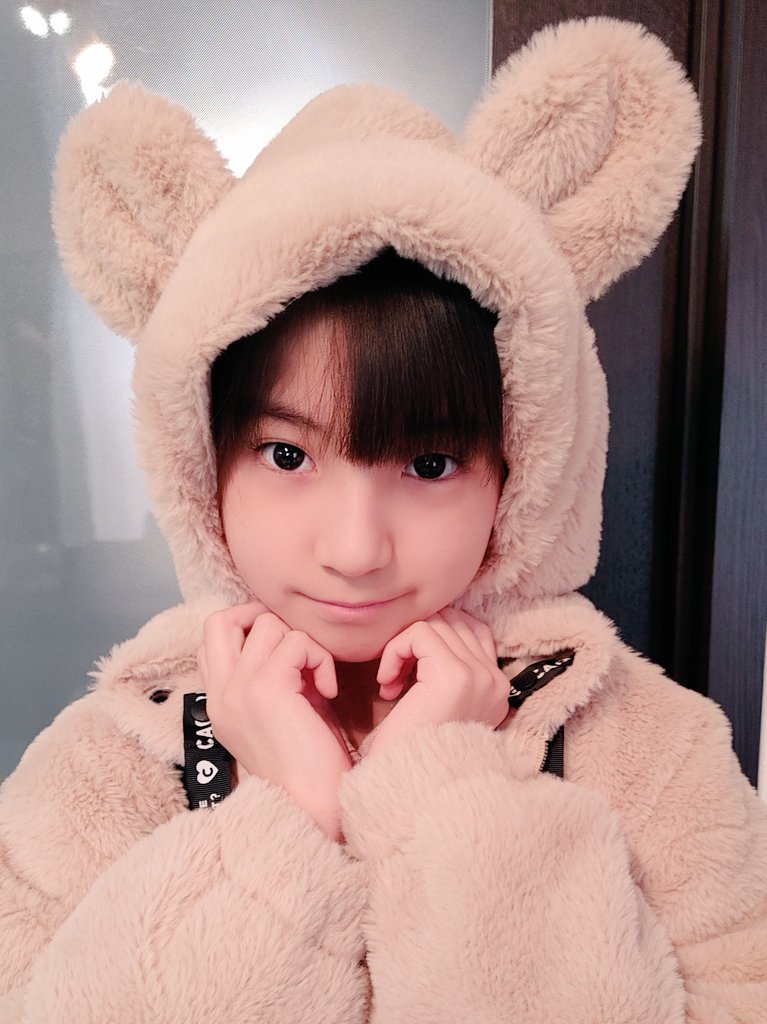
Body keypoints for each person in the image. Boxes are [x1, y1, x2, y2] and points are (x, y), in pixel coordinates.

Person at [1, 16, 765, 1024]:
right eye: (286, 455)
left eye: (428, 463)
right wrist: (292, 815)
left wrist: (440, 795)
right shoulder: (104, 764)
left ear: (520, 467)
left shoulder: (648, 750)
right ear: (202, 463)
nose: (355, 549)